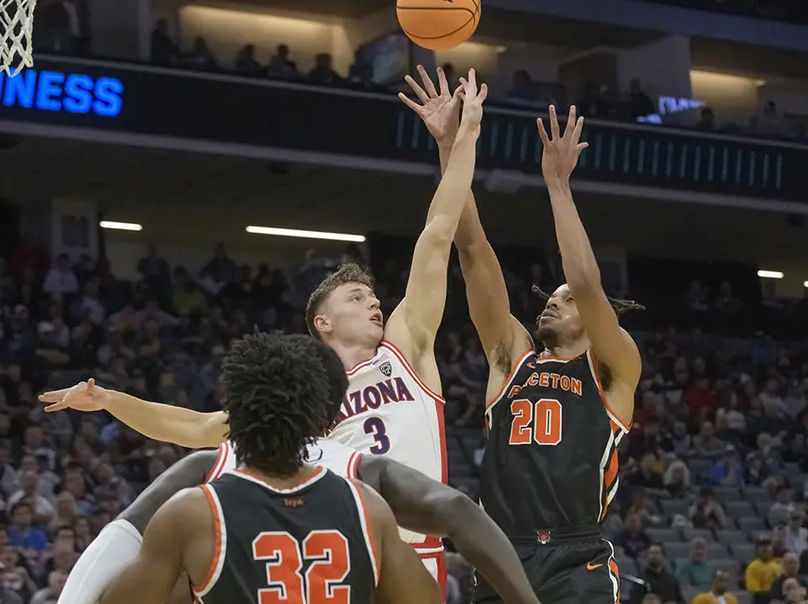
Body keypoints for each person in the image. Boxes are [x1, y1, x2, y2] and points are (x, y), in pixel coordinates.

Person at [41, 68, 489, 593]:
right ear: (322, 323)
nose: (374, 304)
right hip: (343, 557)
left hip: (417, 552)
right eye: (357, 298)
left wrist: (461, 142)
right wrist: (112, 400)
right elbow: (196, 428)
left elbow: (437, 235)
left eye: (374, 297)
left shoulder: (406, 344)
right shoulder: (302, 396)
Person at [57, 334, 539, 604]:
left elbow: (114, 553)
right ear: (329, 414)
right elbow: (456, 510)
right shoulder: (366, 503)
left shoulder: (194, 502)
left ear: (235, 413)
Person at [401, 66, 641, 604]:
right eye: (550, 298)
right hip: (501, 552)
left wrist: (557, 184)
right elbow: (472, 249)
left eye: (566, 301)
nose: (554, 301)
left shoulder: (612, 366)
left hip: (577, 555)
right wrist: (452, 147)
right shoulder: (512, 358)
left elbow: (584, 279)